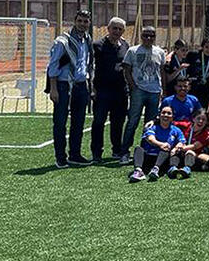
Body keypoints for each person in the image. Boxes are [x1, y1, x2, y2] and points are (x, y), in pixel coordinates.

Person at [47, 10, 93, 168]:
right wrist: (53, 89)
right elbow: (52, 66)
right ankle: (60, 157)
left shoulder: (87, 39)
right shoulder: (62, 41)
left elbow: (87, 63)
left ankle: (75, 154)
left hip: (81, 85)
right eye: (80, 21)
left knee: (78, 122)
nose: (82, 24)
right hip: (63, 85)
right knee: (60, 122)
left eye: (86, 21)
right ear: (75, 21)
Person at [120, 26, 166, 164]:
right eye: (145, 35)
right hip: (138, 91)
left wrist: (163, 89)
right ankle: (125, 152)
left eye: (151, 36)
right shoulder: (132, 51)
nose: (148, 38)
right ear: (141, 36)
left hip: (154, 91)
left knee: (150, 124)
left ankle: (145, 151)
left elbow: (162, 72)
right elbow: (126, 70)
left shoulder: (159, 52)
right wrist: (133, 86)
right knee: (132, 121)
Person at [90, 16, 129, 163]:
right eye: (114, 28)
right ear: (108, 28)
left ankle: (117, 150)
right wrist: (93, 89)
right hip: (102, 91)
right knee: (99, 122)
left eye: (120, 29)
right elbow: (90, 67)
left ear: (123, 31)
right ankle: (96, 153)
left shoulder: (126, 46)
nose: (117, 31)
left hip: (120, 90)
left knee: (118, 122)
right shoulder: (97, 45)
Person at [129, 105, 186, 183]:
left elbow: (182, 142)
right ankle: (138, 171)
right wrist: (161, 144)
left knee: (166, 149)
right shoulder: (153, 127)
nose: (166, 115)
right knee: (138, 148)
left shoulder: (176, 130)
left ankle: (156, 169)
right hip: (148, 158)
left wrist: (176, 148)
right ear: (159, 115)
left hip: (162, 161)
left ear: (172, 117)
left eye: (169, 113)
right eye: (163, 113)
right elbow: (150, 139)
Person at [177, 110, 209, 175]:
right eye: (198, 118)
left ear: (206, 122)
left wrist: (180, 148)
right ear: (193, 119)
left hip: (197, 154)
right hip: (182, 152)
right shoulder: (186, 125)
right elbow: (171, 122)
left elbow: (194, 146)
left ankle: (187, 169)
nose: (201, 121)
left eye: (204, 120)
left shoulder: (206, 134)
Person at [187, 37, 209, 107]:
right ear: (202, 47)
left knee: (202, 110)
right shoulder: (193, 55)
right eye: (206, 47)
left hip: (205, 89)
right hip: (193, 88)